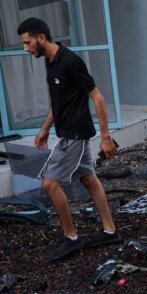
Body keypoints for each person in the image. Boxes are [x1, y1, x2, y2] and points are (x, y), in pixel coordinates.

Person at [17, 17, 121, 261]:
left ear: (41, 38)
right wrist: (45, 128)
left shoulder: (70, 61)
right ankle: (110, 231)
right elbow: (59, 101)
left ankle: (70, 237)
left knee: (49, 184)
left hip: (75, 133)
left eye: (27, 42)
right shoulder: (50, 62)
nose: (26, 48)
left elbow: (97, 97)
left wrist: (106, 136)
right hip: (69, 131)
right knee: (89, 179)